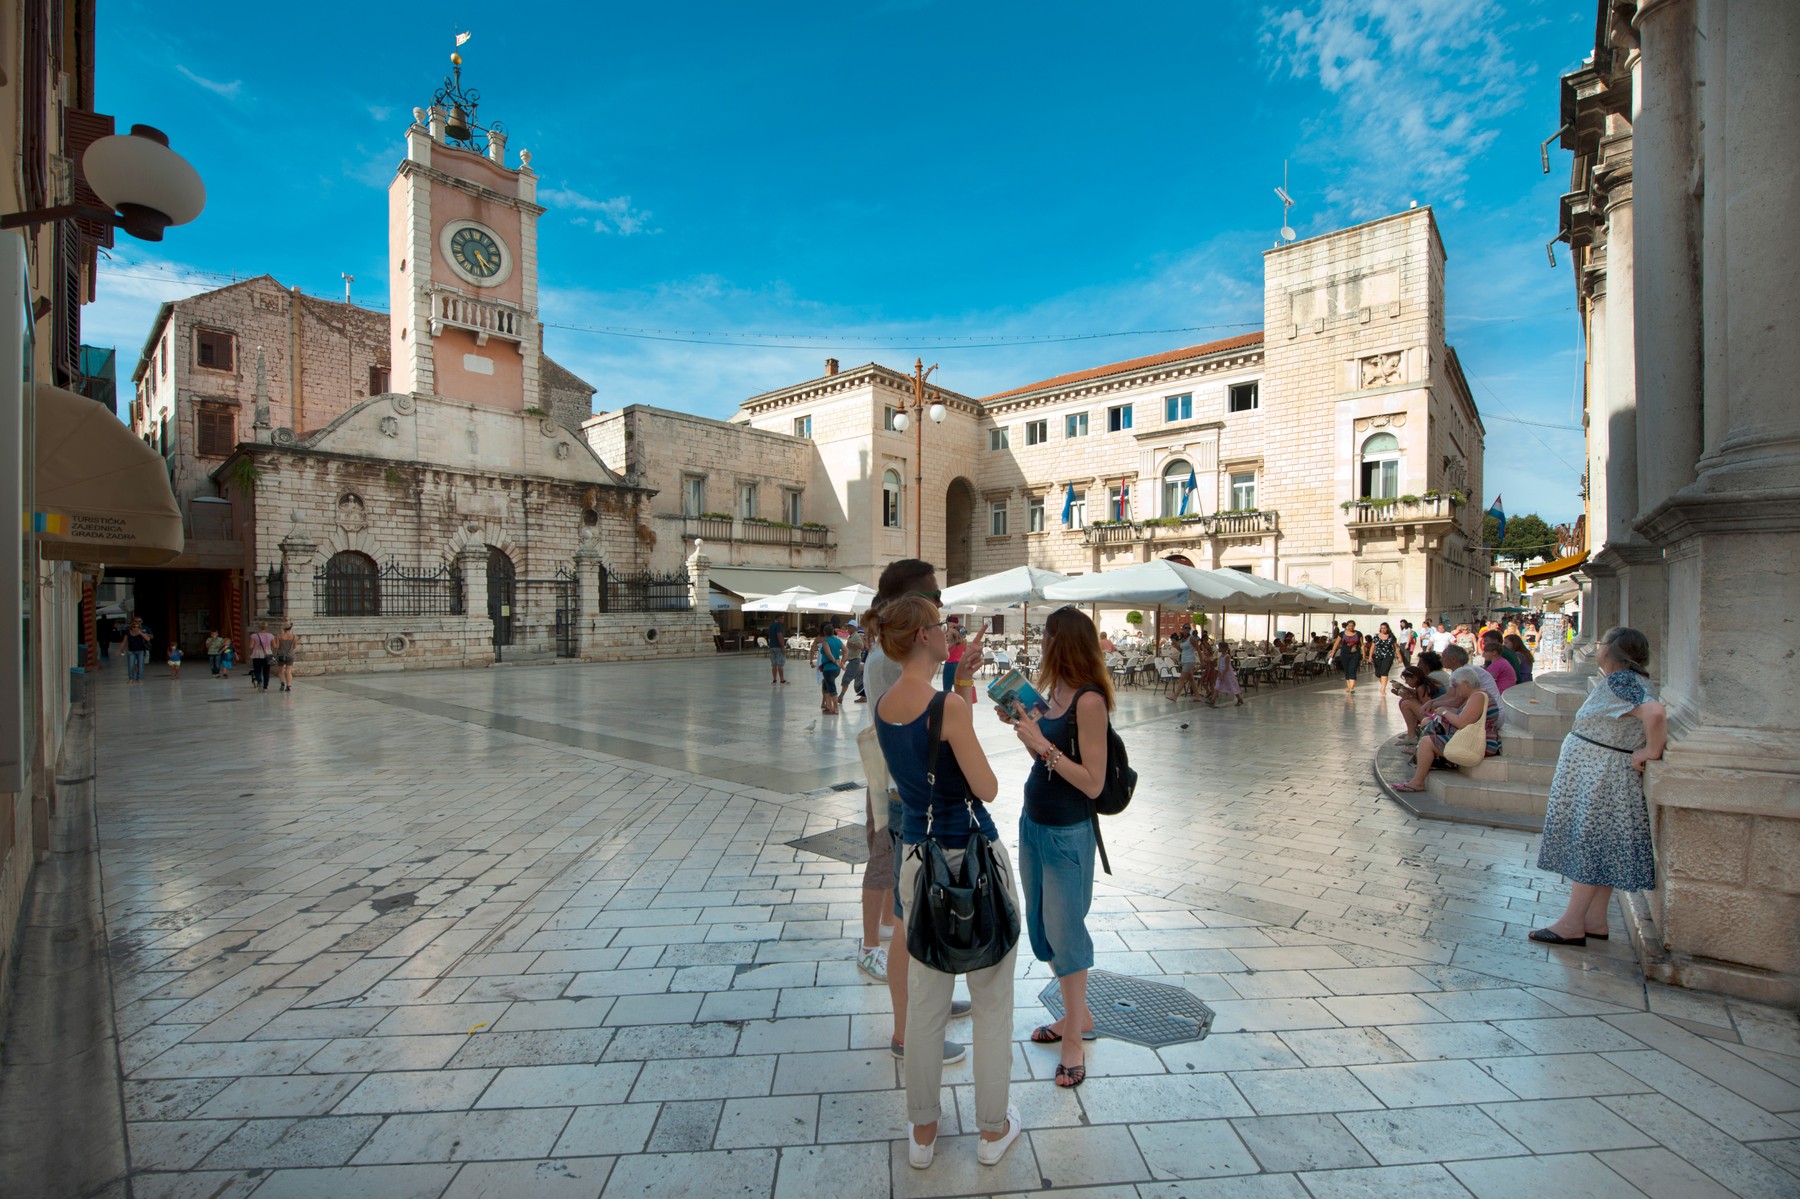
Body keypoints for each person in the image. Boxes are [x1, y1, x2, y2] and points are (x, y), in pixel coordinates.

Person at [875, 594, 1022, 1169]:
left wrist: (960, 680)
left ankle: (922, 1133)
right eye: (940, 626)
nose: (948, 630)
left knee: (927, 999)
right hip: (969, 856)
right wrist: (961, 695)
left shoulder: (886, 703)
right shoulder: (949, 709)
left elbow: (925, 753)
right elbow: (984, 787)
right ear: (920, 638)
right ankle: (991, 1133)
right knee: (990, 1000)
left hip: (917, 854)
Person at [856, 560, 972, 1063]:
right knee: (910, 920)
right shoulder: (888, 661)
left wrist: (958, 687)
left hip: (912, 795)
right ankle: (907, 1030)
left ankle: (928, 1010)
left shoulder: (897, 660)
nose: (942, 607)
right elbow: (920, 728)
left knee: (919, 915)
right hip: (910, 797)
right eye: (932, 599)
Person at [999, 606, 1109, 1089]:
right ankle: (1077, 1015)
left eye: (1046, 636)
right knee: (1044, 926)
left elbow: (1091, 783)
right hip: (1035, 821)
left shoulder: (1089, 701)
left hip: (1068, 830)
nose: (1041, 644)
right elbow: (1044, 760)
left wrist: (1043, 746)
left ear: (1062, 642)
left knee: (1066, 931)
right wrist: (1026, 731)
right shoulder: (1055, 694)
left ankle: (1073, 1039)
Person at [1532, 627, 1667, 945]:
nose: (1597, 648)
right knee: (1601, 848)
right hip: (1603, 774)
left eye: (1602, 643)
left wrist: (1651, 750)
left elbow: (1655, 713)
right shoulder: (1627, 681)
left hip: (1601, 778)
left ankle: (1571, 923)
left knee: (1589, 847)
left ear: (1613, 651)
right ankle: (1594, 920)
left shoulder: (1623, 681)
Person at [1392, 665, 1501, 791]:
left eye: (1456, 685)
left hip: (1481, 743)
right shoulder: (1477, 696)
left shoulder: (1478, 697)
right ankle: (1419, 769)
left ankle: (1417, 782)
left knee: (1427, 742)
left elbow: (1462, 723)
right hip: (1478, 740)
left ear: (1466, 683)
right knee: (1430, 730)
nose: (1455, 689)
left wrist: (1444, 712)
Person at [1393, 665, 1445, 741]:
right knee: (1405, 701)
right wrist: (1404, 689)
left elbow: (1428, 708)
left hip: (1438, 721)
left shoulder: (1422, 688)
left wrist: (1409, 697)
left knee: (1406, 703)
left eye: (1407, 679)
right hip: (1440, 717)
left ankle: (1412, 735)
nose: (1406, 682)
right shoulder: (1427, 683)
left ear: (1414, 678)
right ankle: (1413, 732)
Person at [1329, 620, 1363, 695]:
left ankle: (1352, 688)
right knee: (1347, 670)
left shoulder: (1358, 634)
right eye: (1349, 626)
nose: (1351, 627)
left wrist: (1363, 655)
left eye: (1352, 626)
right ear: (1347, 626)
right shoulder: (1342, 634)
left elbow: (1362, 645)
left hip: (1355, 654)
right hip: (1344, 654)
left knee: (1352, 669)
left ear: (1354, 626)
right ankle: (1349, 687)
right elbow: (1336, 643)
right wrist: (1332, 652)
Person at [818, 624, 845, 714]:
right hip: (835, 668)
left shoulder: (826, 641)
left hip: (829, 668)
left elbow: (828, 654)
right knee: (826, 686)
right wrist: (842, 661)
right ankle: (829, 706)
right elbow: (846, 650)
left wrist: (835, 661)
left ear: (824, 632)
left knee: (831, 687)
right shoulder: (838, 640)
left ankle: (835, 708)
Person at [1212, 639, 1244, 707]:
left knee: (1232, 686)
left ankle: (1239, 699)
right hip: (1221, 673)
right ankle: (1213, 700)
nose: (1219, 649)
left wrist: (1223, 675)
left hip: (1227, 674)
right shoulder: (1221, 656)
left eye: (1220, 647)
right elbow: (1220, 665)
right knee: (1217, 686)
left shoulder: (1227, 656)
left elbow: (1227, 667)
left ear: (1224, 648)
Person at [841, 622, 866, 702]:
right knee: (858, 680)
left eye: (849, 627)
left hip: (855, 661)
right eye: (848, 627)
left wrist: (852, 644)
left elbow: (862, 647)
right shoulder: (851, 636)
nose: (848, 629)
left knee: (846, 679)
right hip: (852, 661)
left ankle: (840, 697)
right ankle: (863, 696)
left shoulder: (856, 636)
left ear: (854, 628)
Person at [1368, 622, 1399, 687]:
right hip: (1378, 656)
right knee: (1378, 673)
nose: (1383, 629)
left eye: (1384, 628)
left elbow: (1396, 647)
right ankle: (1383, 685)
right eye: (1381, 628)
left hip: (1388, 656)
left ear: (1387, 628)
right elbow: (1372, 647)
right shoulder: (1376, 636)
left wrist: (1399, 656)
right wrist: (1370, 656)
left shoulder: (1391, 636)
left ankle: (1383, 688)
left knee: (1384, 672)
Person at [248, 622, 276, 692]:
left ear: (258, 627)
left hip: (257, 655)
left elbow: (250, 646)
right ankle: (265, 687)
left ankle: (260, 681)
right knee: (266, 672)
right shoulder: (271, 636)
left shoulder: (254, 636)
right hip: (268, 654)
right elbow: (274, 646)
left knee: (257, 670)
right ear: (266, 628)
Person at [942, 615, 967, 693]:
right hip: (959, 664)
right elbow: (965, 651)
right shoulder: (963, 638)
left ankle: (948, 704)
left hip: (950, 664)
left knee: (947, 689)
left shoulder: (949, 635)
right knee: (959, 689)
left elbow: (945, 649)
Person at [123, 619, 152, 683]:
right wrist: (120, 649)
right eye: (134, 627)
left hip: (140, 651)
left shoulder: (142, 632)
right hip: (131, 651)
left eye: (137, 627)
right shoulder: (128, 633)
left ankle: (139, 678)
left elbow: (148, 639)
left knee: (140, 665)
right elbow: (124, 642)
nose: (135, 628)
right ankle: (131, 678)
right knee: (131, 665)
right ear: (131, 627)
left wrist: (141, 633)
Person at [275, 623, 298, 691]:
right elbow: (294, 647)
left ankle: (282, 683)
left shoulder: (279, 636)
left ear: (283, 629)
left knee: (281, 670)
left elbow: (277, 646)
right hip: (290, 655)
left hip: (281, 655)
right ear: (290, 628)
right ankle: (289, 685)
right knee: (288, 670)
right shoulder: (294, 637)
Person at [766, 616, 789, 685]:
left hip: (772, 646)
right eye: (781, 618)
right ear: (777, 618)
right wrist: (783, 647)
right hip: (778, 647)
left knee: (774, 664)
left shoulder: (771, 625)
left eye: (783, 618)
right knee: (780, 664)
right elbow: (779, 636)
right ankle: (782, 680)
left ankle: (774, 680)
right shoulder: (778, 625)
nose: (783, 619)